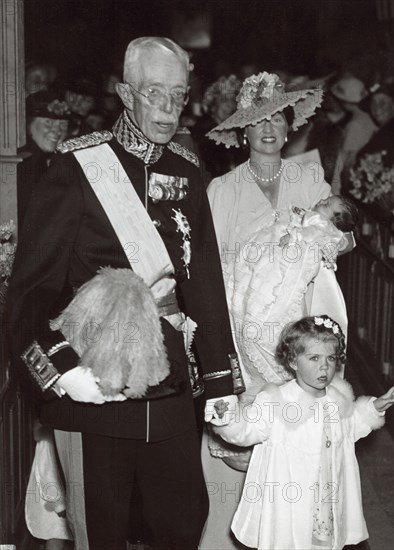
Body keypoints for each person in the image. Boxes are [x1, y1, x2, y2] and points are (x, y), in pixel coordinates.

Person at [6, 36, 242, 550]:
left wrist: (221, 381)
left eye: (178, 95)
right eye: (154, 92)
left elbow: (203, 280)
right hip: (97, 386)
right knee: (103, 531)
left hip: (173, 384)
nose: (168, 107)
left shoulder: (187, 170)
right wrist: (61, 370)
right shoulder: (74, 169)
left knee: (182, 522)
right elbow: (29, 293)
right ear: (125, 93)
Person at [200, 71, 353, 550]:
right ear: (242, 132)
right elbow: (210, 271)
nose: (267, 128)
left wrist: (310, 240)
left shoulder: (310, 178)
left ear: (290, 127)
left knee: (302, 448)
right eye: (256, 120)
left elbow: (339, 238)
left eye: (277, 119)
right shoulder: (221, 190)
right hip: (242, 328)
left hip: (303, 331)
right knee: (243, 441)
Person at [209, 315, 394, 550]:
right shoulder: (275, 401)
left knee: (324, 541)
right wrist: (224, 417)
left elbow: (349, 428)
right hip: (290, 498)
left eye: (330, 358)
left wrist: (373, 408)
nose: (324, 367)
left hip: (327, 494)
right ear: (293, 361)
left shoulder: (337, 397)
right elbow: (244, 431)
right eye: (314, 358)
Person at [223, 195, 359, 390]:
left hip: (287, 261)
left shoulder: (321, 224)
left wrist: (296, 235)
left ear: (335, 220)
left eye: (327, 204)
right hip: (272, 253)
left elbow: (314, 233)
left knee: (270, 293)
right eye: (325, 199)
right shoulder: (310, 216)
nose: (321, 200)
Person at [18, 90, 71, 228]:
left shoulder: (46, 161)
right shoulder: (23, 164)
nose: (57, 131)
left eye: (63, 125)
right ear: (28, 124)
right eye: (48, 122)